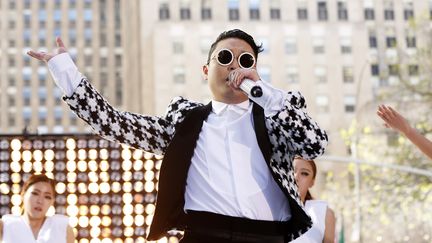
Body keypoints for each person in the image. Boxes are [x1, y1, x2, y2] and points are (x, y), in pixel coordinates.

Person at [28, 29, 328, 242]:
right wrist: (64, 69)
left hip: (268, 236)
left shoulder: (277, 113)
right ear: (205, 69)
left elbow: (315, 144)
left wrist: (268, 97)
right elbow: (113, 123)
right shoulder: (185, 122)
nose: (235, 65)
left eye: (245, 61)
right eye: (225, 57)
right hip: (204, 235)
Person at [0, 174, 75, 243]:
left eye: (47, 197)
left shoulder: (62, 228)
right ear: (23, 194)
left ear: (52, 202)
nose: (40, 201)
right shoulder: (5, 225)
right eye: (35, 193)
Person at [291, 156, 336, 243]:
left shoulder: (324, 213)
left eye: (304, 173)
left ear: (312, 182)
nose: (295, 177)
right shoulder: (269, 208)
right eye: (291, 170)